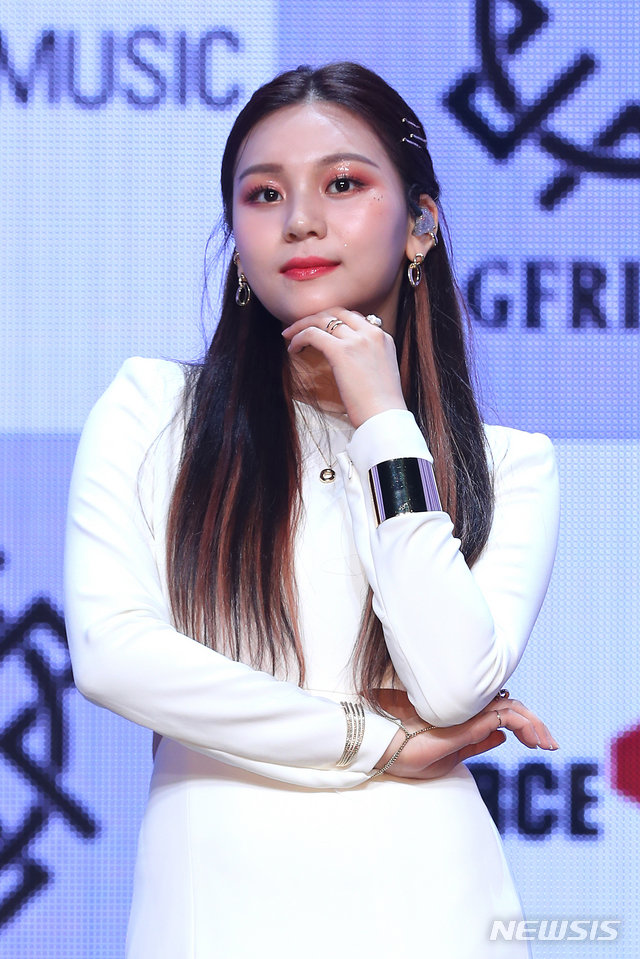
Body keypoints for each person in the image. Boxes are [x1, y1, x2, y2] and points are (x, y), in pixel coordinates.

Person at [64, 62, 560, 958]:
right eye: (264, 194)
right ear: (237, 239)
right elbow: (113, 654)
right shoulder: (152, 410)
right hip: (215, 915)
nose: (300, 220)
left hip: (431, 912)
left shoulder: (510, 464)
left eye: (343, 184)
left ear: (420, 225)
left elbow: (451, 682)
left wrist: (383, 423)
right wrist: (369, 737)